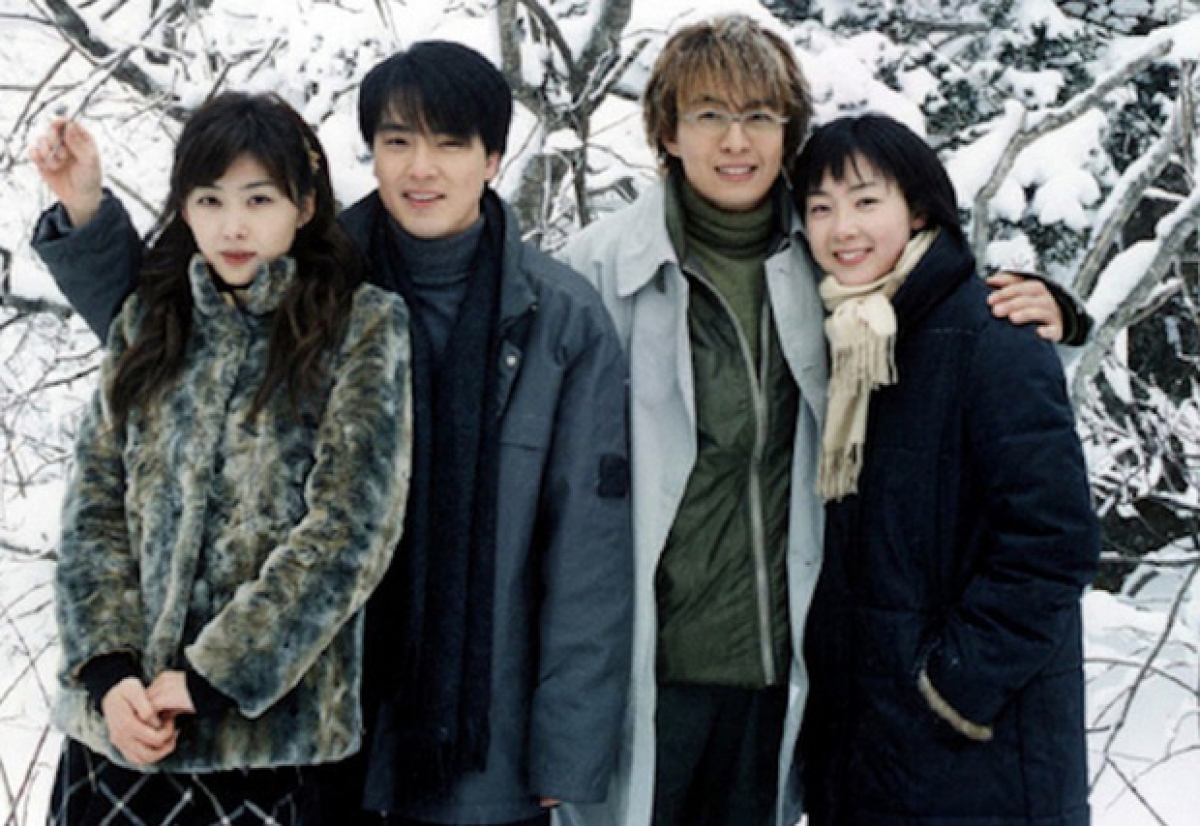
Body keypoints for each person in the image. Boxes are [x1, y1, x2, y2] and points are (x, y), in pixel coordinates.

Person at [30, 41, 633, 826]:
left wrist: (566, 744)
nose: (421, 168)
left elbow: (586, 549)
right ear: (368, 152)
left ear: (492, 158)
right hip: (313, 722)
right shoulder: (310, 272)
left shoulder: (559, 318)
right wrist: (85, 213)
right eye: (397, 141)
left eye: (451, 144)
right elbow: (164, 337)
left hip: (476, 721)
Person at [558, 14, 1088, 826]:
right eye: (709, 114)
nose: (736, 140)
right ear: (666, 130)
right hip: (650, 676)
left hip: (793, 685)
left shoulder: (834, 277)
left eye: (760, 116)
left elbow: (941, 301)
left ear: (788, 131)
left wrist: (1057, 309)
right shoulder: (596, 272)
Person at [34, 92, 414, 825]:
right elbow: (94, 508)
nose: (233, 225)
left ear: (304, 206)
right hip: (120, 734)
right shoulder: (149, 320)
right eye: (209, 200)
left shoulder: (362, 326)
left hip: (260, 745)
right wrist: (109, 673)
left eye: (259, 199)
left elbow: (352, 527)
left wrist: (215, 673)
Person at [794, 113, 1099, 825]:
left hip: (979, 756)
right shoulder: (844, 339)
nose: (843, 228)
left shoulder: (994, 336)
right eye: (821, 207)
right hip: (867, 753)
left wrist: (953, 685)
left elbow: (1055, 541)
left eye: (866, 201)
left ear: (920, 210)